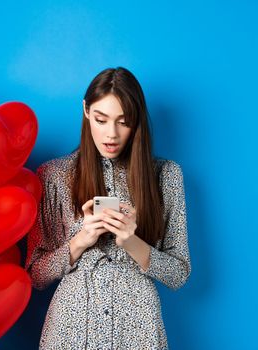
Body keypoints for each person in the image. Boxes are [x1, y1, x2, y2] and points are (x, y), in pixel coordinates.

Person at [24, 67, 191, 349]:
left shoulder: (165, 176)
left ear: (136, 121)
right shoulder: (54, 175)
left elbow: (179, 274)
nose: (111, 134)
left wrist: (132, 242)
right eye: (101, 120)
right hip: (71, 330)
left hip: (138, 330)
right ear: (86, 111)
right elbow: (35, 275)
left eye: (123, 122)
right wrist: (80, 241)